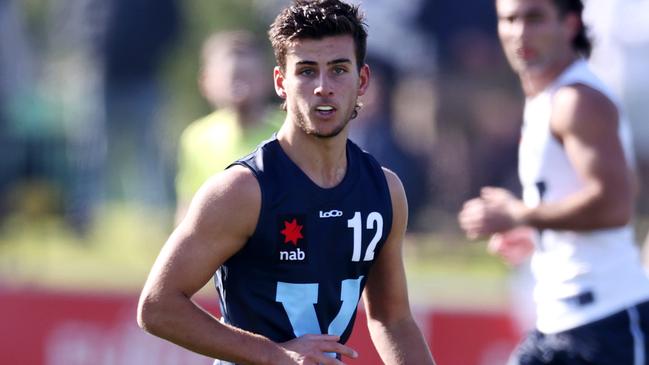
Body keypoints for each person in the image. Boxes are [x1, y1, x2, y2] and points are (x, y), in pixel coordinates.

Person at [137, 1, 436, 364]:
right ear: (281, 82)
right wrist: (275, 355)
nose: (323, 87)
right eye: (307, 71)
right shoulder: (241, 190)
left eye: (339, 70)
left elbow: (393, 318)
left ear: (362, 81)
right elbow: (156, 306)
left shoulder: (384, 191)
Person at [458, 0, 649, 364]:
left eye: (534, 18)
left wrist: (521, 215)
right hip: (559, 323)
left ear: (571, 23)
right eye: (509, 19)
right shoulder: (547, 98)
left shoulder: (576, 100)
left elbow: (617, 203)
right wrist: (537, 232)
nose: (520, 32)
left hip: (605, 324)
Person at [175, 30, 282, 222]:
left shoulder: (291, 131)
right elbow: (188, 208)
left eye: (248, 76)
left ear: (269, 79)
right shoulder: (197, 137)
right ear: (206, 82)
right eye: (232, 77)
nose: (240, 87)